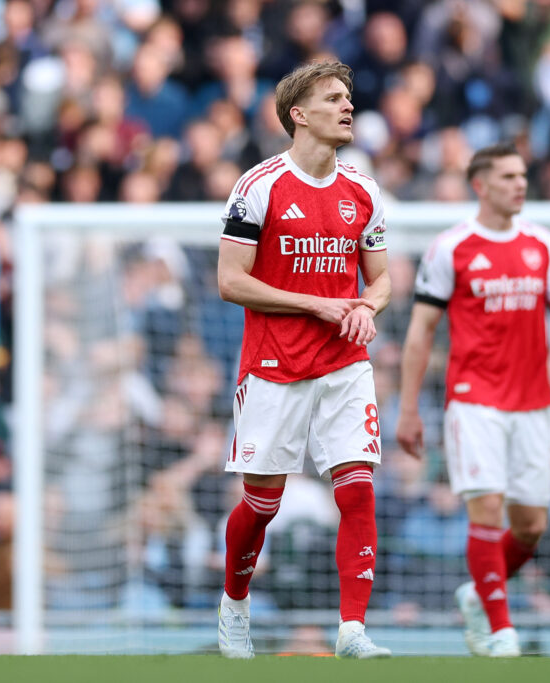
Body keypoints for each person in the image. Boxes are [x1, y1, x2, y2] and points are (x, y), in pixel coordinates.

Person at [396, 142, 550, 657]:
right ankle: (501, 629)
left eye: (522, 175)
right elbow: (421, 331)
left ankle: (477, 592)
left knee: (531, 526)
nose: (520, 184)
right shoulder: (451, 247)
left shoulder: (541, 243)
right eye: (508, 176)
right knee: (486, 508)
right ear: (480, 185)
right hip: (475, 399)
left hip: (533, 402)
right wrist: (408, 407)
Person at [215, 61, 391, 659]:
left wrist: (367, 307)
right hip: (274, 365)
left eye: (349, 97)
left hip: (345, 362)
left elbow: (383, 278)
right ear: (299, 114)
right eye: (334, 98)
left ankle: (352, 630)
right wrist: (315, 305)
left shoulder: (363, 190)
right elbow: (230, 281)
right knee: (262, 504)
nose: (348, 106)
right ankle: (234, 605)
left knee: (357, 488)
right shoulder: (259, 186)